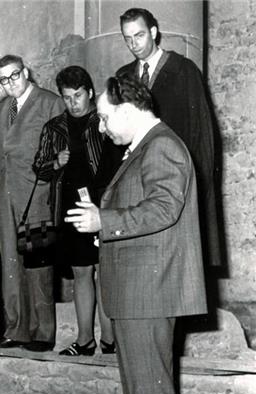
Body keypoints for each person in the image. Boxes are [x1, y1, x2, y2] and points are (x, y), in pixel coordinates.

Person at [66, 74, 206, 394]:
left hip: (151, 286)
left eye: (106, 118)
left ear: (127, 109)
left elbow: (165, 208)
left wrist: (105, 222)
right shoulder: (145, 146)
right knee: (142, 386)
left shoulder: (163, 145)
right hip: (138, 286)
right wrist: (103, 224)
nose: (102, 127)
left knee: (150, 386)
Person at [117, 7, 220, 267]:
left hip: (175, 179)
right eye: (127, 38)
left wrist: (200, 186)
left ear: (153, 32)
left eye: (139, 36)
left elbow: (202, 135)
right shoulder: (123, 76)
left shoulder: (184, 71)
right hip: (137, 183)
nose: (134, 44)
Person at [0, 55, 65, 351]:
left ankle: (43, 332)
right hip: (5, 196)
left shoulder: (49, 102)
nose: (10, 83)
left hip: (36, 194)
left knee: (38, 266)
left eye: (14, 75)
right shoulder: (2, 108)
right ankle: (17, 330)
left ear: (26, 72)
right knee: (10, 266)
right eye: (3, 79)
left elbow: (63, 149)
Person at [32, 66, 117, 356]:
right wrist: (56, 162)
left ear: (90, 93)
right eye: (67, 97)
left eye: (78, 95)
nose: (73, 102)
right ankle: (85, 341)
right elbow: (38, 168)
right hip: (71, 208)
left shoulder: (106, 120)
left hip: (106, 205)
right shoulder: (54, 127)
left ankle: (110, 341)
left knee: (106, 272)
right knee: (82, 273)